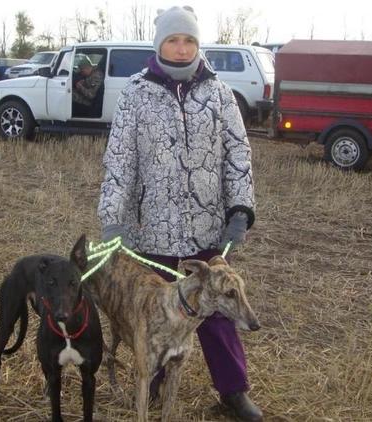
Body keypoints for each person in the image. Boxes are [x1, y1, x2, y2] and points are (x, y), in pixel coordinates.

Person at [97, 6, 262, 422]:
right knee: (150, 314)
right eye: (173, 39)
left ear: (197, 44)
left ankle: (232, 391)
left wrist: (241, 207)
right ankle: (149, 383)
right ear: (160, 44)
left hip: (206, 232)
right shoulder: (135, 93)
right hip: (151, 234)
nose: (181, 47)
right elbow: (120, 162)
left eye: (188, 40)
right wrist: (113, 219)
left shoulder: (219, 93)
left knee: (217, 314)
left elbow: (238, 154)